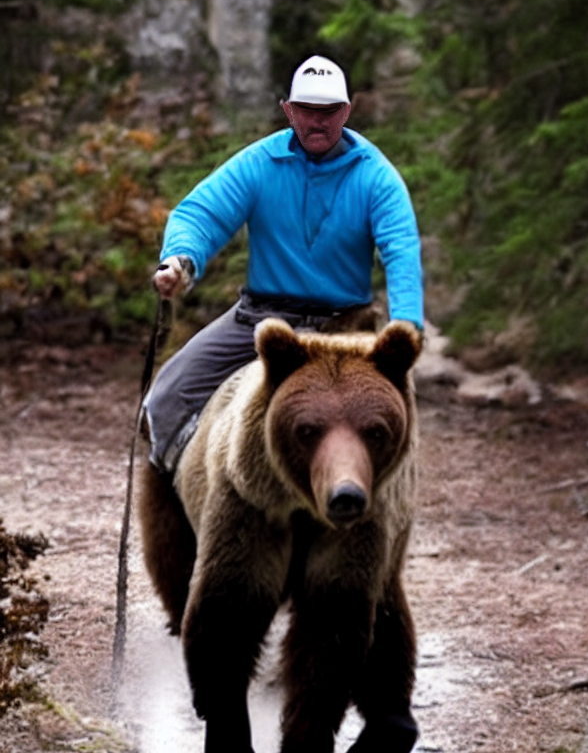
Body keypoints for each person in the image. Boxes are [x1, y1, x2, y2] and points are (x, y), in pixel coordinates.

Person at [144, 54, 424, 473]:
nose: (318, 122)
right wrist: (180, 261)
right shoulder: (260, 162)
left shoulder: (376, 176)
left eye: (329, 112)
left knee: (383, 411)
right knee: (165, 398)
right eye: (307, 110)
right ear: (288, 111)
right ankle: (186, 486)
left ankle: (373, 501)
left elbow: (401, 251)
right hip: (257, 319)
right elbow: (202, 213)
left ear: (346, 112)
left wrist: (407, 329)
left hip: (341, 329)